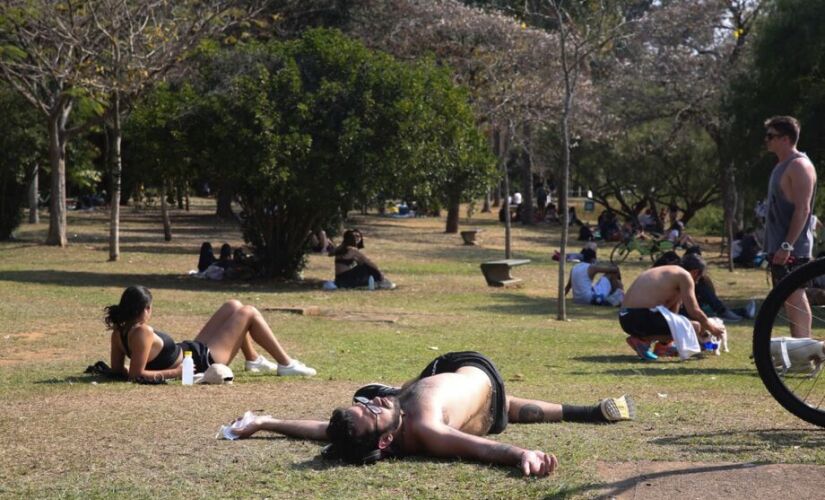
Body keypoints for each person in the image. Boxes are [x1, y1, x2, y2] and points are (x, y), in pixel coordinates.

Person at [219, 351, 635, 477]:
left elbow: (322, 432)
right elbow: (482, 449)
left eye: (366, 407)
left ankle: (587, 412)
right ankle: (588, 412)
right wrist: (523, 454)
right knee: (499, 410)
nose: (371, 406)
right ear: (385, 439)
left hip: (459, 394)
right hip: (473, 368)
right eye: (372, 412)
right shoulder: (426, 429)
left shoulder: (380, 436)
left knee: (498, 410)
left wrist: (267, 421)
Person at [105, 286, 316, 381]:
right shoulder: (143, 331)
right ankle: (286, 365)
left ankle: (253, 360)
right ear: (145, 309)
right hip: (202, 360)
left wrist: (134, 366)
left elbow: (118, 369)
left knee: (232, 305)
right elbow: (136, 375)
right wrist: (176, 373)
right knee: (248, 312)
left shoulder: (119, 332)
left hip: (189, 350)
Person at [763, 116, 817, 338]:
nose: (766, 140)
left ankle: (804, 350)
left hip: (792, 248)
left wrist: (787, 245)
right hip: (779, 247)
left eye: (771, 136)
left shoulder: (799, 165)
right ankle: (798, 350)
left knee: (795, 296)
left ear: (786, 139)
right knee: (788, 299)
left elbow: (803, 210)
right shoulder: (781, 165)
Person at [619, 254, 725, 360]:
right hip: (638, 318)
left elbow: (671, 314)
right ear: (696, 272)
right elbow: (694, 311)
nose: (696, 282)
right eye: (699, 278)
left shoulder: (669, 273)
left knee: (684, 321)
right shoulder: (685, 276)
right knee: (695, 326)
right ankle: (642, 340)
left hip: (626, 317)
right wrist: (712, 328)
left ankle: (664, 346)